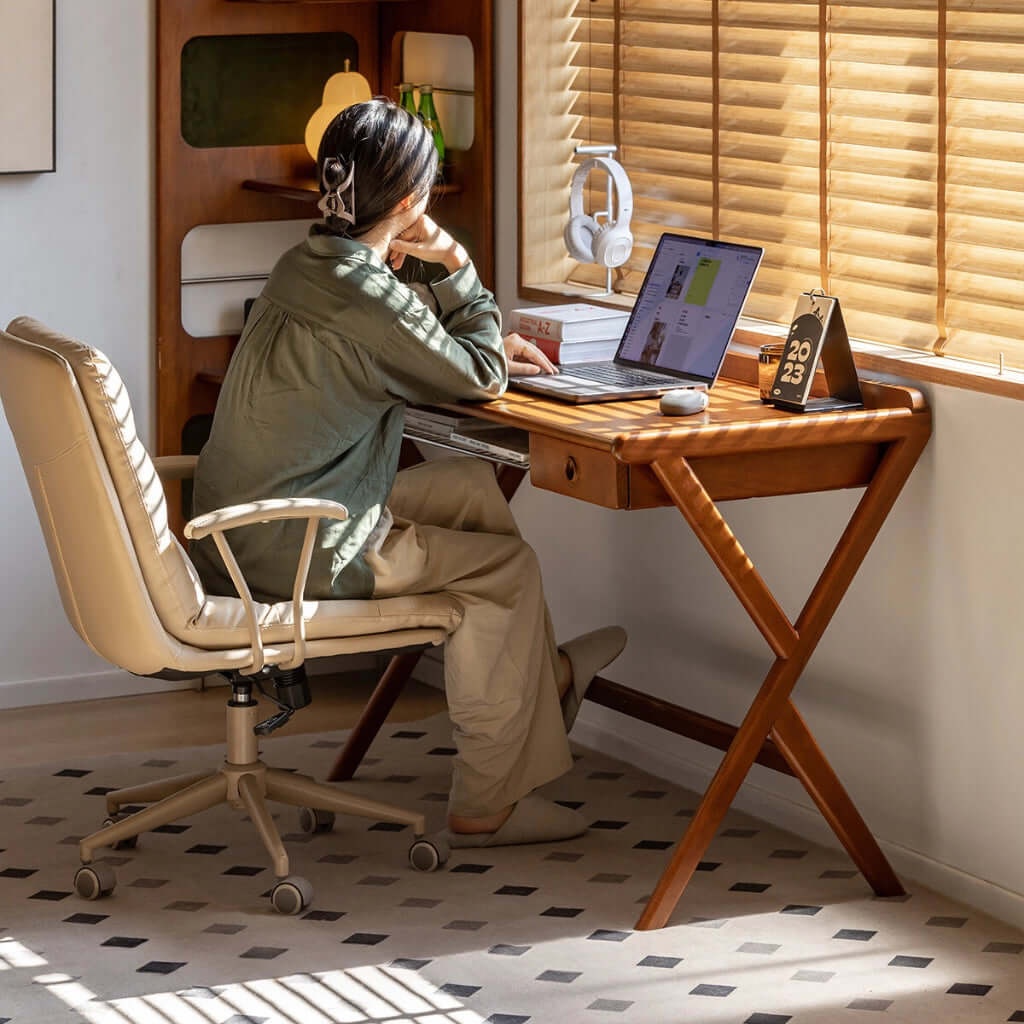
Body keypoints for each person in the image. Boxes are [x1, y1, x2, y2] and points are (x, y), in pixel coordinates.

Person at [191, 98, 627, 847]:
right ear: (408, 203)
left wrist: (437, 309)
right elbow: (484, 374)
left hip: (247, 527)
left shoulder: (305, 264)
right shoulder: (374, 299)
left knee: (465, 488)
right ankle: (488, 802)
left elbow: (399, 332)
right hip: (304, 549)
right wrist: (454, 266)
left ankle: (542, 682)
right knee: (506, 572)